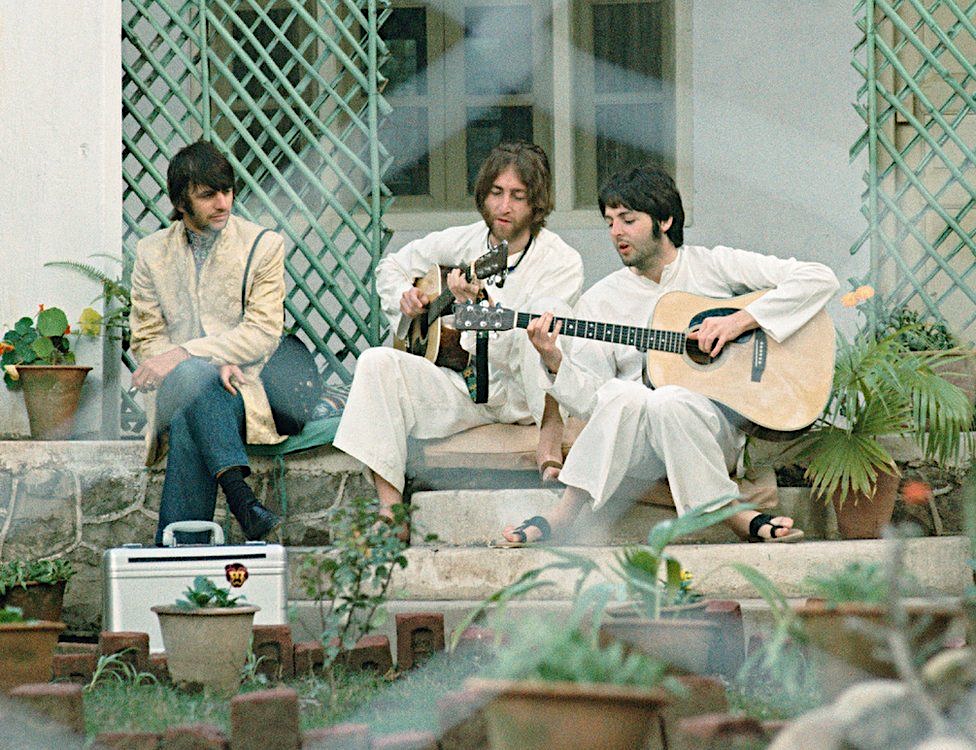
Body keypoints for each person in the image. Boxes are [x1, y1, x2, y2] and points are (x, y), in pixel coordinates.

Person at [502, 166, 840, 545]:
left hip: (708, 433)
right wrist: (554, 359)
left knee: (670, 400)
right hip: (637, 446)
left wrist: (739, 321)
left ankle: (567, 516)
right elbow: (592, 405)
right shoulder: (600, 301)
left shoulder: (713, 266)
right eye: (610, 222)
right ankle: (732, 514)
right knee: (626, 394)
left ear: (664, 220)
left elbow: (819, 278)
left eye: (628, 220)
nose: (616, 232)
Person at [333, 141, 584, 532]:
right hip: (466, 388)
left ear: (537, 202)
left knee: (546, 314)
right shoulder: (464, 240)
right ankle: (391, 513)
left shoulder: (561, 261)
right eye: (496, 193)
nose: (504, 206)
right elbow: (391, 266)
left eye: (518, 196)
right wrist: (406, 297)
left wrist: (480, 304)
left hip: (523, 394)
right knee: (376, 362)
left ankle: (548, 440)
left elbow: (521, 350)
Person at [130, 140, 285, 545]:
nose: (222, 203)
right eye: (207, 195)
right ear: (181, 201)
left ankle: (181, 554)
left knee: (189, 415)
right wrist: (206, 364)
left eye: (227, 191)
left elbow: (263, 331)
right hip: (175, 386)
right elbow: (146, 337)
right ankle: (240, 497)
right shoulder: (151, 253)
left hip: (241, 388)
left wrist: (190, 354)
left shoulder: (262, 245)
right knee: (192, 377)